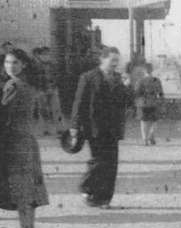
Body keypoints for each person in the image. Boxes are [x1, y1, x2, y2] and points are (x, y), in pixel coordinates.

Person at [69, 46, 131, 208]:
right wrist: (74, 126)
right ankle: (87, 187)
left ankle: (103, 200)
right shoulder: (88, 77)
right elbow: (78, 102)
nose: (115, 64)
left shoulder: (119, 78)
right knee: (99, 161)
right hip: (94, 127)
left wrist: (126, 86)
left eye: (117, 60)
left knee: (112, 164)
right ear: (102, 59)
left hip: (113, 128)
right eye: (112, 60)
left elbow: (127, 102)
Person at [0, 48, 49, 228]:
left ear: (24, 65)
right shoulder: (29, 85)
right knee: (27, 190)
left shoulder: (12, 85)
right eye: (7, 63)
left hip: (14, 143)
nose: (10, 66)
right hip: (26, 142)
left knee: (21, 190)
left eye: (15, 63)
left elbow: (4, 115)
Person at [32, 47, 64, 136]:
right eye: (44, 55)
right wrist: (39, 89)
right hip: (41, 90)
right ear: (40, 56)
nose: (46, 56)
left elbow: (57, 77)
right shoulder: (36, 66)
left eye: (48, 54)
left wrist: (54, 86)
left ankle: (59, 128)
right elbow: (34, 79)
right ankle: (45, 129)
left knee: (56, 109)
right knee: (43, 110)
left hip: (53, 89)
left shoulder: (53, 65)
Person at [134, 63, 164, 145]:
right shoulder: (156, 80)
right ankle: (151, 135)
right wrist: (160, 101)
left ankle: (145, 139)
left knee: (144, 122)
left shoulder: (140, 81)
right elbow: (161, 93)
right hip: (154, 103)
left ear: (144, 71)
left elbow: (136, 93)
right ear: (152, 70)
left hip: (143, 103)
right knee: (154, 121)